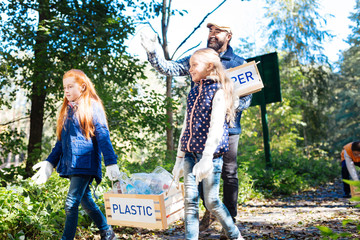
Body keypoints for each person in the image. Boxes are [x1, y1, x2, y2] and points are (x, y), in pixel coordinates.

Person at [141, 22, 252, 231]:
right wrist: (153, 52)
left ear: (228, 35)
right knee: (198, 178)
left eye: (217, 31)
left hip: (227, 130)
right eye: (210, 31)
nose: (212, 35)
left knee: (228, 174)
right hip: (197, 132)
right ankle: (209, 209)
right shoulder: (198, 59)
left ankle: (230, 222)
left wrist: (226, 105)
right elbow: (169, 68)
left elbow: (246, 98)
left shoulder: (238, 63)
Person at [31, 69, 121, 240]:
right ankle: (107, 232)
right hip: (72, 164)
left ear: (82, 87)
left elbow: (103, 134)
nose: (66, 90)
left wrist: (110, 162)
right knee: (86, 200)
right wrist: (50, 162)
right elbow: (61, 143)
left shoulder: (92, 106)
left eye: (70, 86)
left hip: (85, 163)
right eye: (64, 87)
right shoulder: (68, 111)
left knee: (71, 203)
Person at [172, 48, 244, 240]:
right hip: (189, 155)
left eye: (194, 65)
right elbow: (186, 126)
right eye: (189, 66)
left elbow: (216, 127)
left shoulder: (219, 92)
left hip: (210, 157)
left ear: (209, 66)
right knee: (190, 202)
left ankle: (235, 235)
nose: (190, 69)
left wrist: (206, 158)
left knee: (211, 202)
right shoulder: (193, 92)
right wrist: (179, 159)